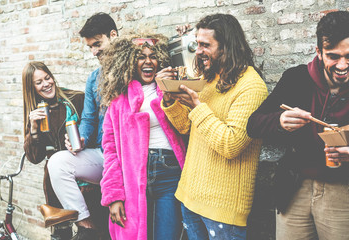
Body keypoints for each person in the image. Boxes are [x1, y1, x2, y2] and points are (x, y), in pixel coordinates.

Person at [157, 13, 268, 239]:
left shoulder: (252, 86)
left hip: (222, 208)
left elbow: (230, 144)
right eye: (197, 44)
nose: (198, 51)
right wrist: (169, 100)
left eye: (205, 45)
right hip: (190, 197)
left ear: (227, 47)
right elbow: (186, 128)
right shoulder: (208, 78)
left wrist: (197, 107)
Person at [246, 11, 349, 240]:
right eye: (333, 56)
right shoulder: (296, 79)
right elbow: (253, 125)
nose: (342, 65)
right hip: (294, 187)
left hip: (343, 190)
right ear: (319, 53)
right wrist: (279, 122)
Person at [99, 34, 187, 240]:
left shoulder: (170, 88)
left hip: (169, 173)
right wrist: (113, 196)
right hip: (133, 178)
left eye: (153, 56)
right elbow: (110, 148)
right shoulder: (118, 99)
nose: (148, 61)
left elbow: (185, 127)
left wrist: (167, 91)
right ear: (129, 61)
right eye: (140, 57)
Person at [47, 12, 118, 240]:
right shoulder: (93, 78)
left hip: (131, 156)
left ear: (113, 35)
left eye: (98, 44)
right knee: (57, 162)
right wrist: (81, 140)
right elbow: (88, 119)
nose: (94, 52)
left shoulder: (135, 67)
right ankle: (87, 227)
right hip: (104, 154)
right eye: (90, 47)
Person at [22, 61, 84, 239]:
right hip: (54, 181)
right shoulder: (35, 113)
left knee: (90, 229)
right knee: (61, 233)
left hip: (84, 176)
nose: (46, 84)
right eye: (39, 82)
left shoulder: (76, 99)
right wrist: (33, 129)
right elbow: (35, 158)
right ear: (32, 88)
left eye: (47, 78)